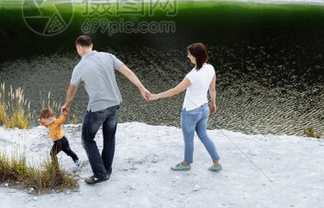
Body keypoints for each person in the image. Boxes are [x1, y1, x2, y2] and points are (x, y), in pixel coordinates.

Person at [64, 34, 149, 185]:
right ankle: (106, 170)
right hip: (115, 104)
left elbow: (71, 91)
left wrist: (67, 104)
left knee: (87, 139)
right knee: (109, 138)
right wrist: (142, 89)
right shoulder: (108, 56)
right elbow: (128, 72)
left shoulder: (80, 67)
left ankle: (100, 174)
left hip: (98, 108)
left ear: (78, 47)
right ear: (91, 45)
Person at [148, 42, 221, 172]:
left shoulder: (192, 76)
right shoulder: (210, 68)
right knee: (204, 136)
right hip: (204, 109)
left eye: (189, 54)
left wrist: (156, 96)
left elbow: (176, 90)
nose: (188, 56)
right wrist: (213, 103)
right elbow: (212, 89)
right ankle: (216, 163)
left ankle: (186, 163)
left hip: (190, 112)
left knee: (188, 139)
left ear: (196, 56)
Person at [38, 104, 81, 171]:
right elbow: (47, 125)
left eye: (45, 121)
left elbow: (62, 119)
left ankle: (56, 168)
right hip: (61, 141)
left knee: (53, 154)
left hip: (60, 141)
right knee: (68, 152)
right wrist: (42, 122)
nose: (45, 123)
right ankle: (76, 160)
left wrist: (64, 114)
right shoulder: (51, 123)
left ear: (50, 119)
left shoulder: (57, 122)